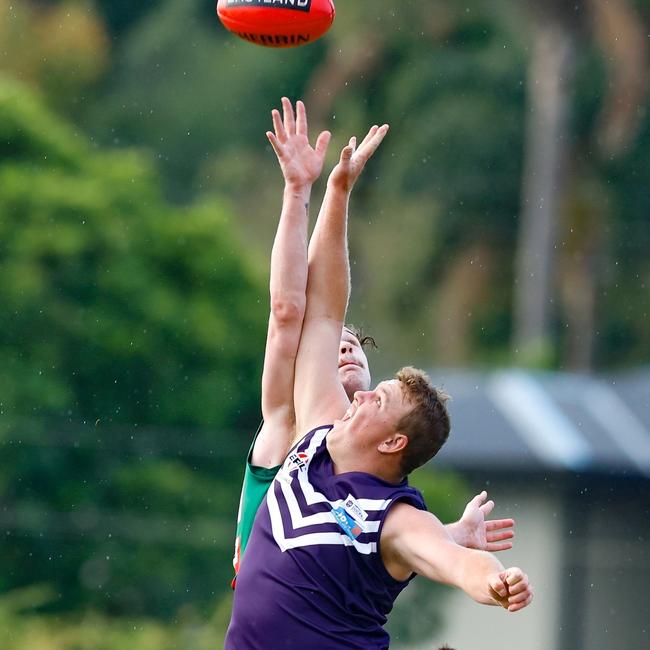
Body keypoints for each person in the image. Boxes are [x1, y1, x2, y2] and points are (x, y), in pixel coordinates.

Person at [225, 101, 533, 648]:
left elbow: (455, 564)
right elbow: (320, 312)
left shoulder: (392, 517)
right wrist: (337, 193)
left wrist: (494, 581)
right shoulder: (314, 432)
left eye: (379, 397)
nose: (363, 396)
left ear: (394, 440)